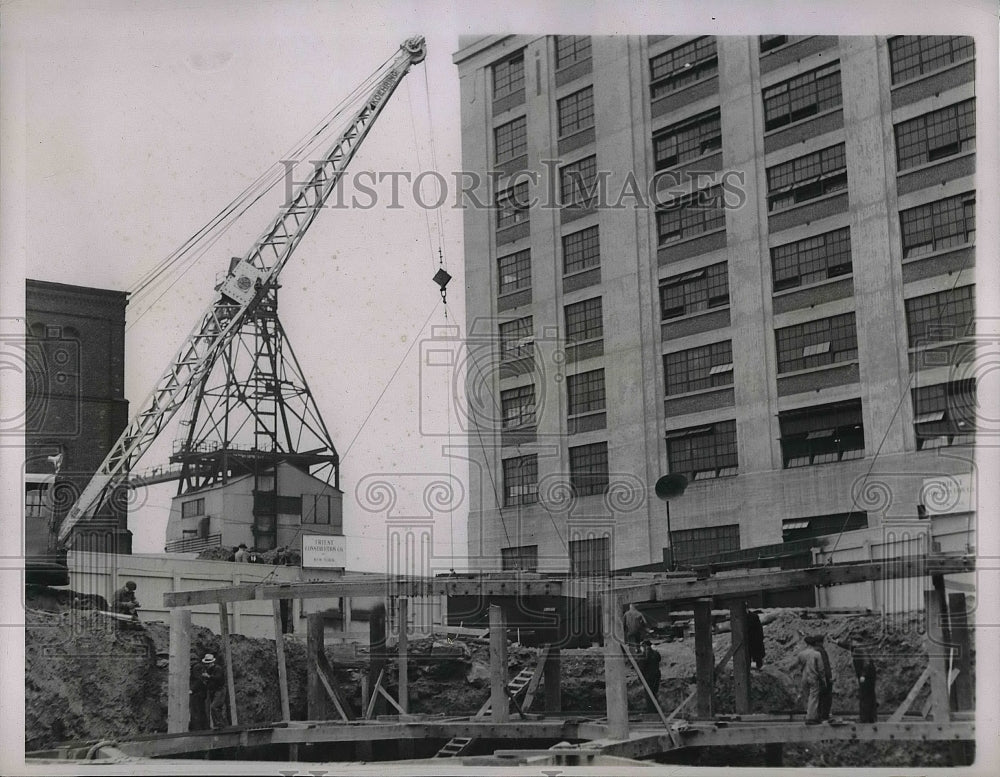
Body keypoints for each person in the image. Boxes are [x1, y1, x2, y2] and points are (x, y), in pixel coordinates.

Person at [835, 637, 878, 723]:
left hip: (867, 677)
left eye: (853, 641)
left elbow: (867, 662)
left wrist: (863, 675)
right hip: (869, 676)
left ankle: (864, 719)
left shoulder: (860, 649)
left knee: (865, 697)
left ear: (857, 642)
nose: (851, 643)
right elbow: (847, 646)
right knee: (869, 697)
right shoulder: (858, 648)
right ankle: (871, 718)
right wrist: (836, 642)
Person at [795, 634, 827, 725]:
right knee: (814, 697)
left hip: (804, 677)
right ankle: (811, 717)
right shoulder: (817, 654)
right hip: (813, 677)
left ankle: (807, 714)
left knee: (807, 696)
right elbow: (821, 669)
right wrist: (823, 680)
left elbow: (796, 665)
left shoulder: (801, 654)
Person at [190, 653, 227, 730]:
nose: (207, 665)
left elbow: (219, 678)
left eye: (208, 663)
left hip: (220, 690)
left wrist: (209, 677)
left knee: (214, 707)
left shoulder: (218, 668)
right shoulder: (207, 670)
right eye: (206, 664)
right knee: (214, 708)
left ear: (212, 663)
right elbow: (202, 681)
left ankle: (220, 724)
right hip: (213, 691)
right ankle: (218, 725)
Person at [638, 640, 661, 713]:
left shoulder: (644, 655)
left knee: (649, 695)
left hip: (647, 678)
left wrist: (640, 678)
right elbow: (659, 658)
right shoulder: (656, 653)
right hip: (656, 677)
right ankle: (656, 710)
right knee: (654, 693)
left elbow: (641, 667)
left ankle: (651, 711)